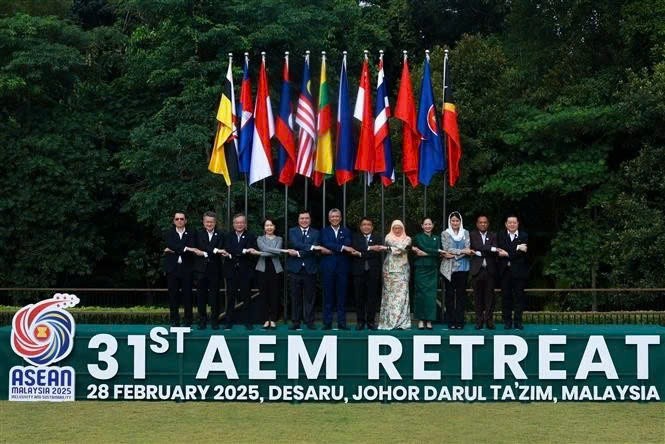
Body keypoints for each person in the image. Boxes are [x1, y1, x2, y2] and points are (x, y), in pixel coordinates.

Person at [286, 210, 327, 330]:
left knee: (310, 297)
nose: (304, 220)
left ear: (310, 220)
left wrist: (298, 253)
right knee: (295, 297)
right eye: (302, 218)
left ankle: (309, 321)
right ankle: (295, 321)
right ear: (298, 220)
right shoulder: (292, 231)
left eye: (306, 218)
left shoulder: (316, 232)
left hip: (310, 269)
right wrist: (312, 247)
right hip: (295, 269)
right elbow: (295, 243)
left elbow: (311, 249)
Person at [319, 208, 356, 330]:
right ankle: (327, 322)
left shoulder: (346, 231)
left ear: (340, 218)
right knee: (328, 296)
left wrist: (341, 247)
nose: (335, 218)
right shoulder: (324, 231)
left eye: (337, 216)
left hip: (342, 268)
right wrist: (342, 247)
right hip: (328, 268)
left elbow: (348, 243)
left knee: (342, 296)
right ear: (329, 219)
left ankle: (342, 323)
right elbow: (326, 243)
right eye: (332, 217)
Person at [162, 211, 200, 327]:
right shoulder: (169, 233)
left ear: (185, 221)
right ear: (174, 221)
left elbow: (175, 247)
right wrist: (188, 249)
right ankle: (174, 321)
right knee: (173, 296)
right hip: (172, 269)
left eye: (182, 219)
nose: (179, 221)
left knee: (187, 295)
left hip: (187, 269)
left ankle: (188, 321)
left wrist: (174, 249)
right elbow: (171, 245)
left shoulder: (192, 233)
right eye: (177, 219)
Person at [222, 213, 258, 330]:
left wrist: (236, 252)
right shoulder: (227, 236)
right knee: (230, 296)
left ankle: (248, 322)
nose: (239, 224)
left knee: (246, 297)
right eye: (237, 222)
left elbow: (251, 251)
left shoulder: (251, 236)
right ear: (233, 224)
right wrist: (244, 251)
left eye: (241, 222)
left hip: (245, 271)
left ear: (245, 224)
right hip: (231, 270)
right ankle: (228, 322)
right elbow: (228, 248)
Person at [440, 212, 473, 329]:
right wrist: (462, 251)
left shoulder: (466, 233)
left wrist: (453, 255)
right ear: (450, 222)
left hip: (463, 268)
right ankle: (451, 321)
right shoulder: (445, 233)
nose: (455, 223)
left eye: (457, 221)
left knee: (461, 295)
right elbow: (446, 249)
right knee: (449, 295)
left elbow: (468, 249)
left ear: (460, 222)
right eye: (453, 221)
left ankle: (459, 321)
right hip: (449, 269)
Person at [192, 211, 224, 330]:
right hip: (201, 270)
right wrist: (214, 251)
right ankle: (202, 321)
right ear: (203, 222)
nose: (209, 224)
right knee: (201, 297)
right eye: (207, 222)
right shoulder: (198, 234)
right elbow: (199, 247)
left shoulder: (221, 234)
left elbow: (220, 248)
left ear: (215, 223)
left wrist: (204, 253)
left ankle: (214, 321)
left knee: (215, 296)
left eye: (211, 222)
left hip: (215, 270)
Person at [350, 217, 384, 330]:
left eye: (368, 224)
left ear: (372, 227)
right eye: (364, 224)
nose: (366, 226)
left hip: (373, 272)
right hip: (358, 272)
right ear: (360, 227)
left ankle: (370, 322)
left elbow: (374, 253)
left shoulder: (378, 237)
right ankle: (360, 321)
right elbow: (354, 249)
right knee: (359, 297)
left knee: (372, 298)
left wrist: (360, 253)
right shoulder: (355, 237)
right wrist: (369, 248)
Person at [496, 214, 529, 330]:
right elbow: (500, 251)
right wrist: (516, 248)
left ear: (518, 224)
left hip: (519, 272)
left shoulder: (524, 236)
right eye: (509, 222)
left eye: (514, 222)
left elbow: (522, 253)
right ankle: (507, 322)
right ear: (506, 224)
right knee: (506, 297)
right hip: (505, 272)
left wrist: (509, 253)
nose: (512, 224)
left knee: (519, 297)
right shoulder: (500, 235)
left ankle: (518, 322)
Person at [378, 220, 411, 330]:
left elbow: (402, 248)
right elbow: (399, 248)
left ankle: (402, 322)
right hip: (389, 270)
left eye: (399, 228)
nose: (397, 230)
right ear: (392, 229)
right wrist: (394, 248)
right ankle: (390, 321)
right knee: (390, 295)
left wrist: (387, 248)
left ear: (403, 229)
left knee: (403, 295)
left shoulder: (408, 239)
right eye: (395, 228)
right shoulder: (388, 237)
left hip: (403, 270)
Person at [469, 215, 501, 330]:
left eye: (485, 222)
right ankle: (479, 320)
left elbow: (494, 250)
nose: (483, 224)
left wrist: (482, 250)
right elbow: (476, 246)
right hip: (477, 270)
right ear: (477, 224)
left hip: (490, 270)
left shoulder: (493, 235)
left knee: (490, 297)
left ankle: (489, 320)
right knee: (477, 297)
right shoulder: (472, 234)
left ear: (488, 224)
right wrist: (491, 249)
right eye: (480, 222)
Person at [253, 218, 284, 329]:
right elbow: (269, 250)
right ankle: (265, 319)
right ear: (264, 228)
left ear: (274, 227)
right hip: (262, 270)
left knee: (275, 295)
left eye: (271, 225)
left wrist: (259, 253)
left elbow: (275, 253)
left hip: (275, 270)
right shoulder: (260, 238)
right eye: (267, 225)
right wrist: (277, 251)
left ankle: (274, 319)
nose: (269, 227)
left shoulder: (279, 238)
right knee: (263, 295)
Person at [411, 217, 441, 330]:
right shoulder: (417, 238)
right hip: (421, 269)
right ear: (422, 226)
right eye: (425, 224)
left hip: (432, 269)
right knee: (420, 294)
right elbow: (424, 249)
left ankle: (429, 320)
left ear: (432, 225)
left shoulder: (437, 238)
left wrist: (427, 253)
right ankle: (420, 319)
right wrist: (434, 252)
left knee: (431, 295)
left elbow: (438, 253)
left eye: (429, 224)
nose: (428, 226)